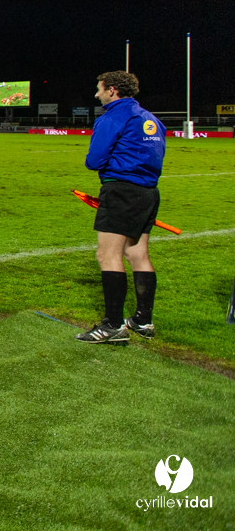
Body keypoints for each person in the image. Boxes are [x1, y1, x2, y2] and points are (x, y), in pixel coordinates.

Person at [75, 71, 166, 344]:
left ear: (112, 90)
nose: (97, 94)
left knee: (107, 255)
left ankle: (113, 326)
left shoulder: (112, 117)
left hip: (122, 191)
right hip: (148, 192)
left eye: (99, 89)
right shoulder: (151, 118)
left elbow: (94, 160)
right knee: (138, 252)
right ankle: (143, 320)